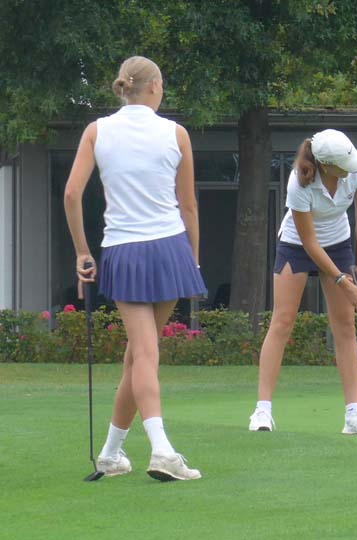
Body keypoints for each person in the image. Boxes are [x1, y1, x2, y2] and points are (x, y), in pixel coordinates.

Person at [64, 56, 205, 481]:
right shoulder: (176, 133)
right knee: (144, 353)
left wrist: (82, 252)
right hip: (170, 249)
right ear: (155, 88)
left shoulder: (97, 131)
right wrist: (193, 260)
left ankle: (110, 455)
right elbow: (188, 205)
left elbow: (72, 195)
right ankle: (161, 451)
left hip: (123, 250)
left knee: (137, 355)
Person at [248, 129, 357, 434]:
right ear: (325, 165)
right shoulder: (300, 182)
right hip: (297, 244)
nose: (352, 165)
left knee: (345, 325)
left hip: (338, 241)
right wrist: (341, 280)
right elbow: (309, 242)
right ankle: (262, 411)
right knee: (282, 321)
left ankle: (354, 415)